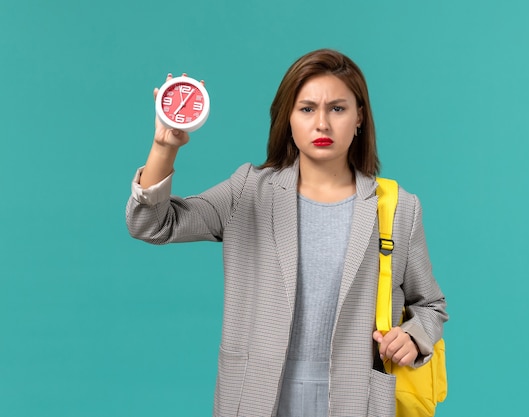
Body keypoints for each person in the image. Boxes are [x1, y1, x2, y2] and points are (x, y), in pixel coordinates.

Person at [126, 48, 448, 417]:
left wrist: (412, 336)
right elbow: (152, 224)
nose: (322, 124)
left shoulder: (397, 208)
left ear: (360, 117)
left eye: (338, 109)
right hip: (256, 398)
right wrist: (164, 147)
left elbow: (430, 306)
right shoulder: (247, 191)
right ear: (288, 119)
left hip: (356, 401)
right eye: (307, 109)